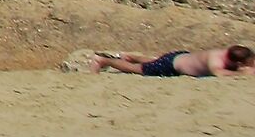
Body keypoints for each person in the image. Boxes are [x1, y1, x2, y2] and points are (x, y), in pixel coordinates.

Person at [91, 44, 255, 77]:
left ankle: (130, 56)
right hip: (171, 65)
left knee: (154, 61)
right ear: (238, 63)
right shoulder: (216, 61)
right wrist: (242, 74)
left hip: (180, 57)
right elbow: (217, 73)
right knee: (138, 69)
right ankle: (104, 61)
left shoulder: (229, 52)